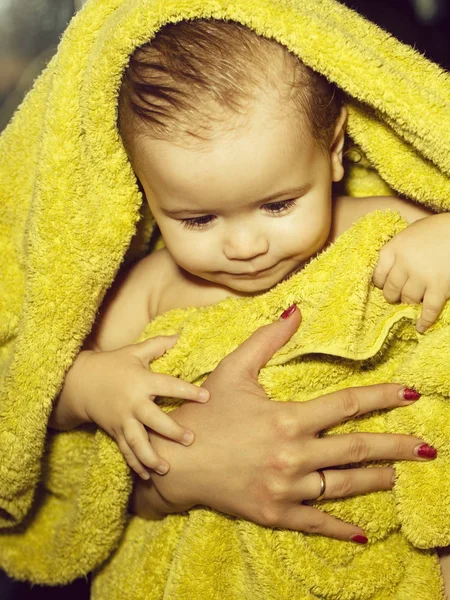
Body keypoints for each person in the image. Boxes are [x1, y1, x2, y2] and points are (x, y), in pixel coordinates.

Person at [48, 18, 449, 554]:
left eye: (278, 205)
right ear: (143, 192)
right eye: (196, 219)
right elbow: (37, 392)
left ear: (332, 150)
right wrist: (88, 388)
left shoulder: (384, 226)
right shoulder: (150, 289)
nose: (243, 246)